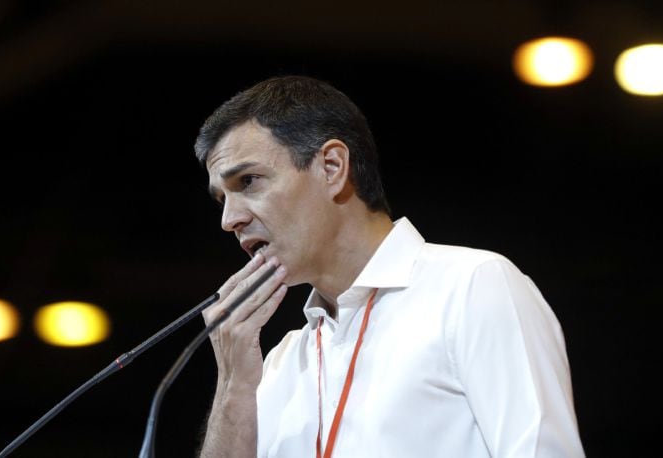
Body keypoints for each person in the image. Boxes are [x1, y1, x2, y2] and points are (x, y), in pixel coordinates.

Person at [195, 75, 585, 457]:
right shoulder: (281, 363)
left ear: (332, 167)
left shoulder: (472, 287)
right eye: (221, 200)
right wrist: (233, 384)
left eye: (248, 181)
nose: (229, 220)